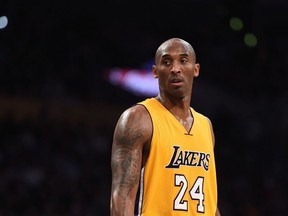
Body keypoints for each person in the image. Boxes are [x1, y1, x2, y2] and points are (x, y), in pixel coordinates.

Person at [110, 37, 221, 216]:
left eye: (183, 61)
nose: (175, 69)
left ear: (196, 69)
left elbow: (209, 201)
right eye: (167, 62)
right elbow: (122, 196)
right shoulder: (138, 118)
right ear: (155, 71)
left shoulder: (205, 126)